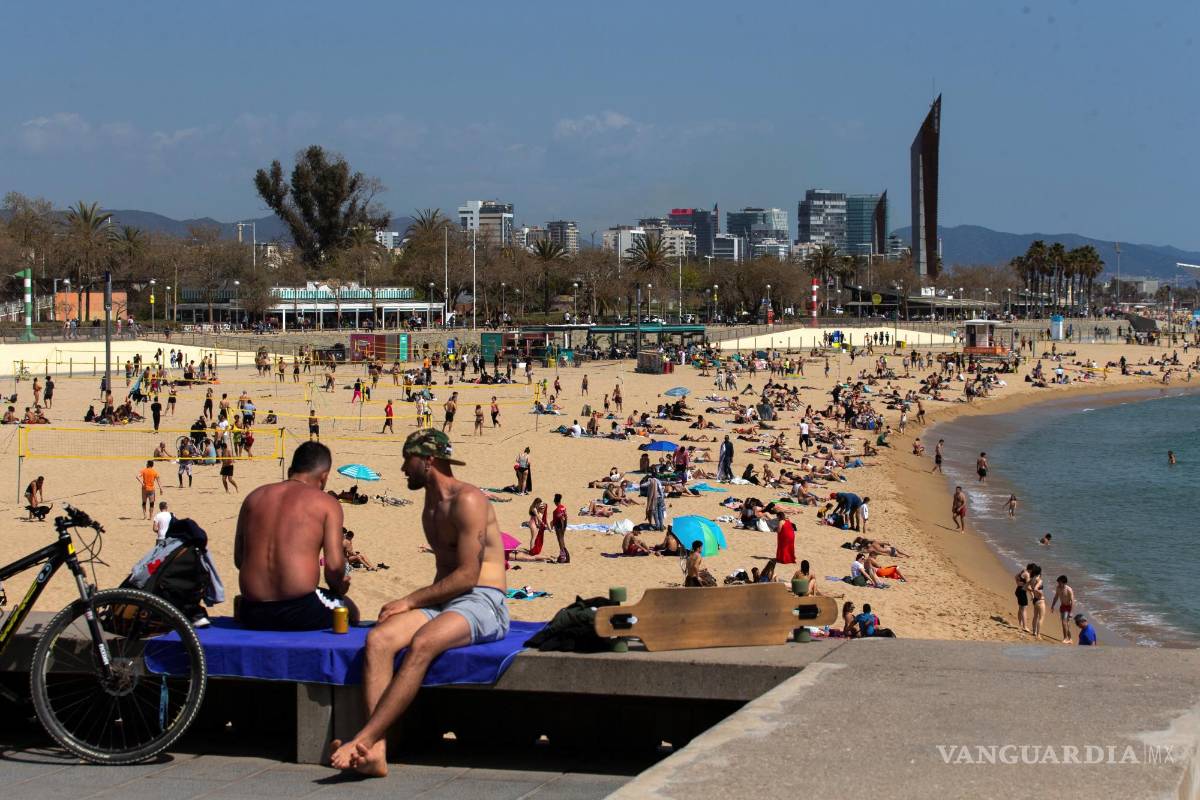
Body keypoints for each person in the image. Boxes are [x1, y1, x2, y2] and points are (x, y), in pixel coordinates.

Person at [328, 429, 508, 777]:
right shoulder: (430, 505)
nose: (402, 469)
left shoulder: (468, 500)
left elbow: (468, 575)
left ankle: (364, 739)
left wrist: (410, 600)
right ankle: (376, 753)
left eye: (406, 460)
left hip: (484, 600)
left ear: (428, 460)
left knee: (423, 642)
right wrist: (411, 606)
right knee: (379, 639)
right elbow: (447, 575)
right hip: (446, 601)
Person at [235, 441, 358, 633]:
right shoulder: (327, 504)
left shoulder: (253, 497)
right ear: (324, 476)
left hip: (252, 610)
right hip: (300, 609)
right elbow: (334, 567)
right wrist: (340, 587)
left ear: (291, 470)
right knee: (350, 609)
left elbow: (239, 559)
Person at [1051, 575, 1076, 644]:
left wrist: (1071, 612)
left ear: (1064, 582)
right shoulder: (1058, 588)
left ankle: (1065, 638)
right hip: (1062, 606)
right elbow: (1056, 597)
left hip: (1068, 607)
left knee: (1064, 622)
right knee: (1066, 624)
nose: (1058, 584)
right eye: (1058, 582)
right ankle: (1070, 639)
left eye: (1059, 582)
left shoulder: (1069, 589)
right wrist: (1052, 606)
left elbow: (1073, 601)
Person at [1028, 564, 1046, 639]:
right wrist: (1041, 593)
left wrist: (1032, 592)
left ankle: (1034, 632)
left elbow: (1026, 587)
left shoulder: (1032, 579)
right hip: (1040, 600)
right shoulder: (1039, 580)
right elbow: (1035, 588)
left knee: (1035, 616)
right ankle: (1038, 634)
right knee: (1041, 618)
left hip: (1035, 600)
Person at [551, 492, 569, 563]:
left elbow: (561, 518)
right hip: (562, 526)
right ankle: (564, 555)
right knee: (562, 540)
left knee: (560, 541)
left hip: (559, 527)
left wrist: (561, 528)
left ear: (555, 501)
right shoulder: (563, 507)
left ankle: (563, 556)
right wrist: (564, 527)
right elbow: (565, 517)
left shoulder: (556, 510)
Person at [1014, 564, 1031, 634]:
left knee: (1020, 608)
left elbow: (1016, 576)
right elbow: (1028, 585)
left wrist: (1018, 583)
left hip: (1018, 590)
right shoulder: (1027, 574)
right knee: (1024, 609)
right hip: (1022, 592)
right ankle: (1025, 626)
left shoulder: (1023, 571)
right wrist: (1033, 591)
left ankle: (1020, 624)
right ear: (1031, 570)